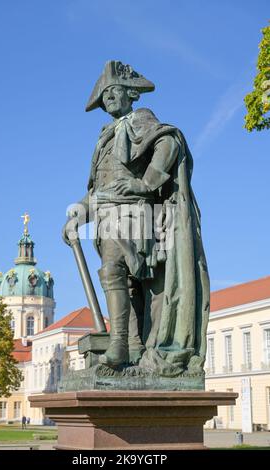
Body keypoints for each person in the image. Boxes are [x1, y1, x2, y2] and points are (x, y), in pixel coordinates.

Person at [63, 61, 210, 376]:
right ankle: (132, 348)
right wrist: (78, 212)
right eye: (104, 96)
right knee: (125, 284)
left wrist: (145, 183)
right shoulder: (106, 135)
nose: (108, 99)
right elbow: (98, 189)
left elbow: (170, 142)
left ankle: (117, 344)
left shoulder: (141, 120)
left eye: (113, 92)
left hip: (134, 212)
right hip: (106, 216)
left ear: (129, 93)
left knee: (113, 269)